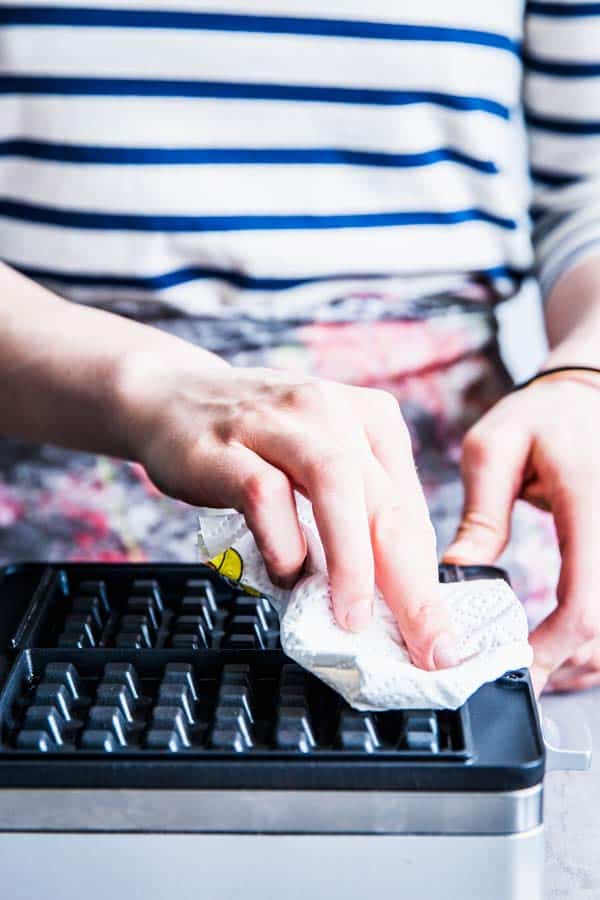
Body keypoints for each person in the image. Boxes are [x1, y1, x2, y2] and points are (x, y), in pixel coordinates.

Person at [0, 2, 599, 695]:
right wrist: (148, 383)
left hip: (455, 562)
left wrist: (584, 376)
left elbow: (588, 182)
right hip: (41, 574)